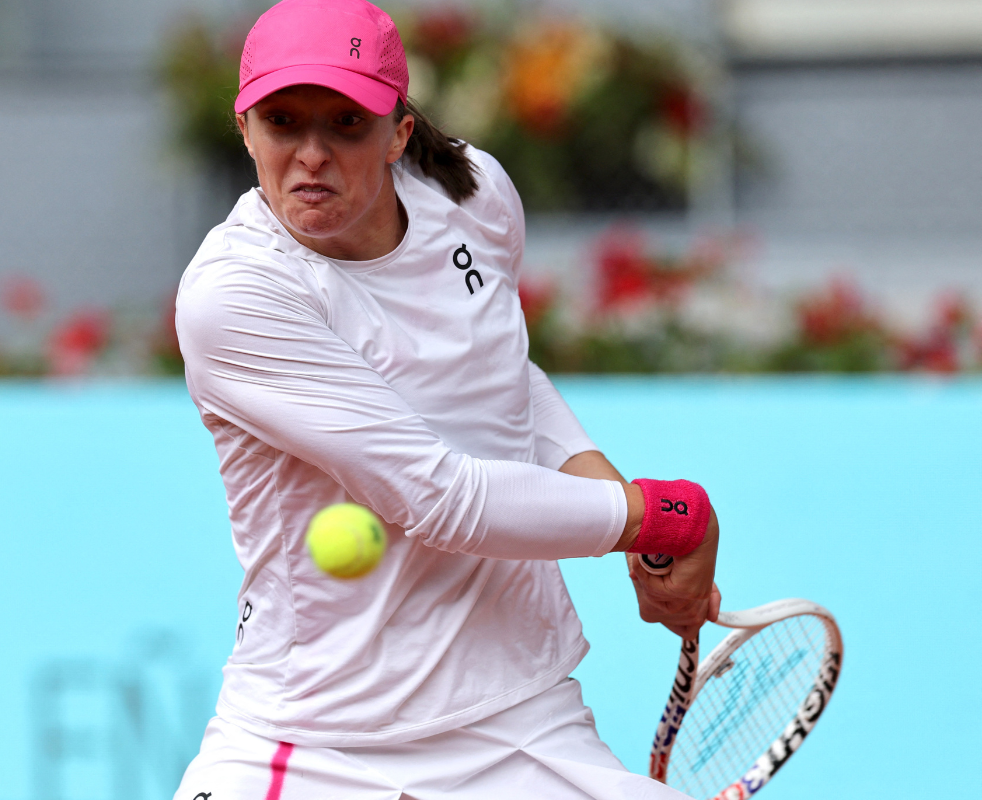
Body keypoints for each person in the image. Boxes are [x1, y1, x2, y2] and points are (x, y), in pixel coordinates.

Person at [172, 1, 719, 797]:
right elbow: (441, 498)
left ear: (398, 131)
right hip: (319, 742)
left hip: (520, 717)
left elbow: (501, 377)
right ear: (245, 128)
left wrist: (620, 512)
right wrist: (658, 516)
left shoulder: (474, 194)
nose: (312, 156)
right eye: (284, 123)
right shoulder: (236, 293)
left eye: (348, 124)